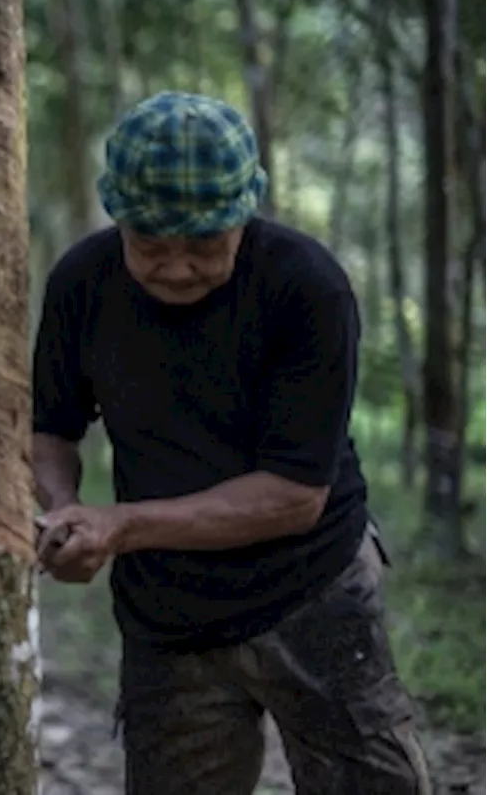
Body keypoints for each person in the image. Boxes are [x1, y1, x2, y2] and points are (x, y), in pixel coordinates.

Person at [31, 91, 432, 794]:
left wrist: (119, 525)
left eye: (206, 245)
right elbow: (51, 426)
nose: (179, 268)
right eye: (151, 246)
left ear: (245, 216)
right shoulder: (82, 284)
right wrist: (60, 509)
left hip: (313, 586)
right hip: (169, 612)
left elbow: (294, 497)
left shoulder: (306, 288)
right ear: (117, 218)